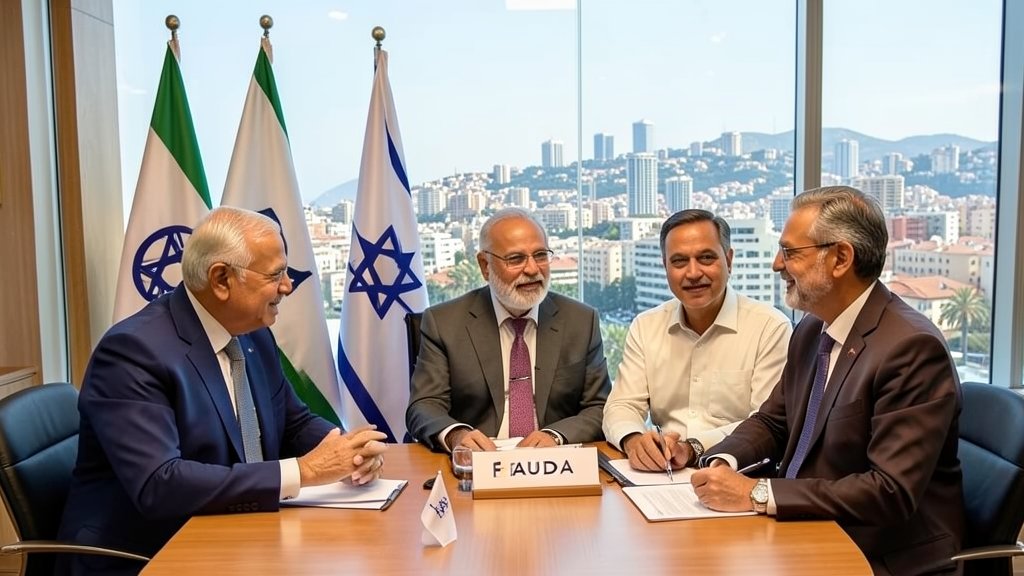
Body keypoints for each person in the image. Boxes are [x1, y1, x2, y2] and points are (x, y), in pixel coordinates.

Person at [58, 207, 388, 575]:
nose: (288, 285)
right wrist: (305, 471)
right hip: (150, 553)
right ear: (221, 279)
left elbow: (292, 422)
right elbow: (160, 484)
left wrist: (347, 452)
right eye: (275, 274)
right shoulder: (133, 352)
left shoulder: (252, 333)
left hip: (233, 534)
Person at [691, 186, 964, 575]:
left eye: (790, 252)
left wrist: (756, 492)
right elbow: (774, 421)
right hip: (808, 527)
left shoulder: (911, 349)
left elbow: (888, 491)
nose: (775, 264)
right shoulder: (812, 329)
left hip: (878, 552)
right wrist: (720, 461)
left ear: (840, 258)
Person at [406, 207, 611, 452]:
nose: (533, 269)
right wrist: (456, 435)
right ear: (485, 265)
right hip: (480, 464)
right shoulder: (444, 323)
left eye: (541, 255)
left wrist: (555, 436)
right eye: (516, 259)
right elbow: (424, 405)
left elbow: (600, 407)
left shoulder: (581, 320)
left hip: (554, 463)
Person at [602, 209, 791, 472]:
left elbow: (767, 424)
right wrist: (634, 440)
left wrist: (693, 448)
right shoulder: (646, 326)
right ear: (665, 266)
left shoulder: (769, 327)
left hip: (737, 473)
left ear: (729, 260)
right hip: (662, 475)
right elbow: (622, 404)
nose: (693, 273)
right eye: (679, 261)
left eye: (706, 258)